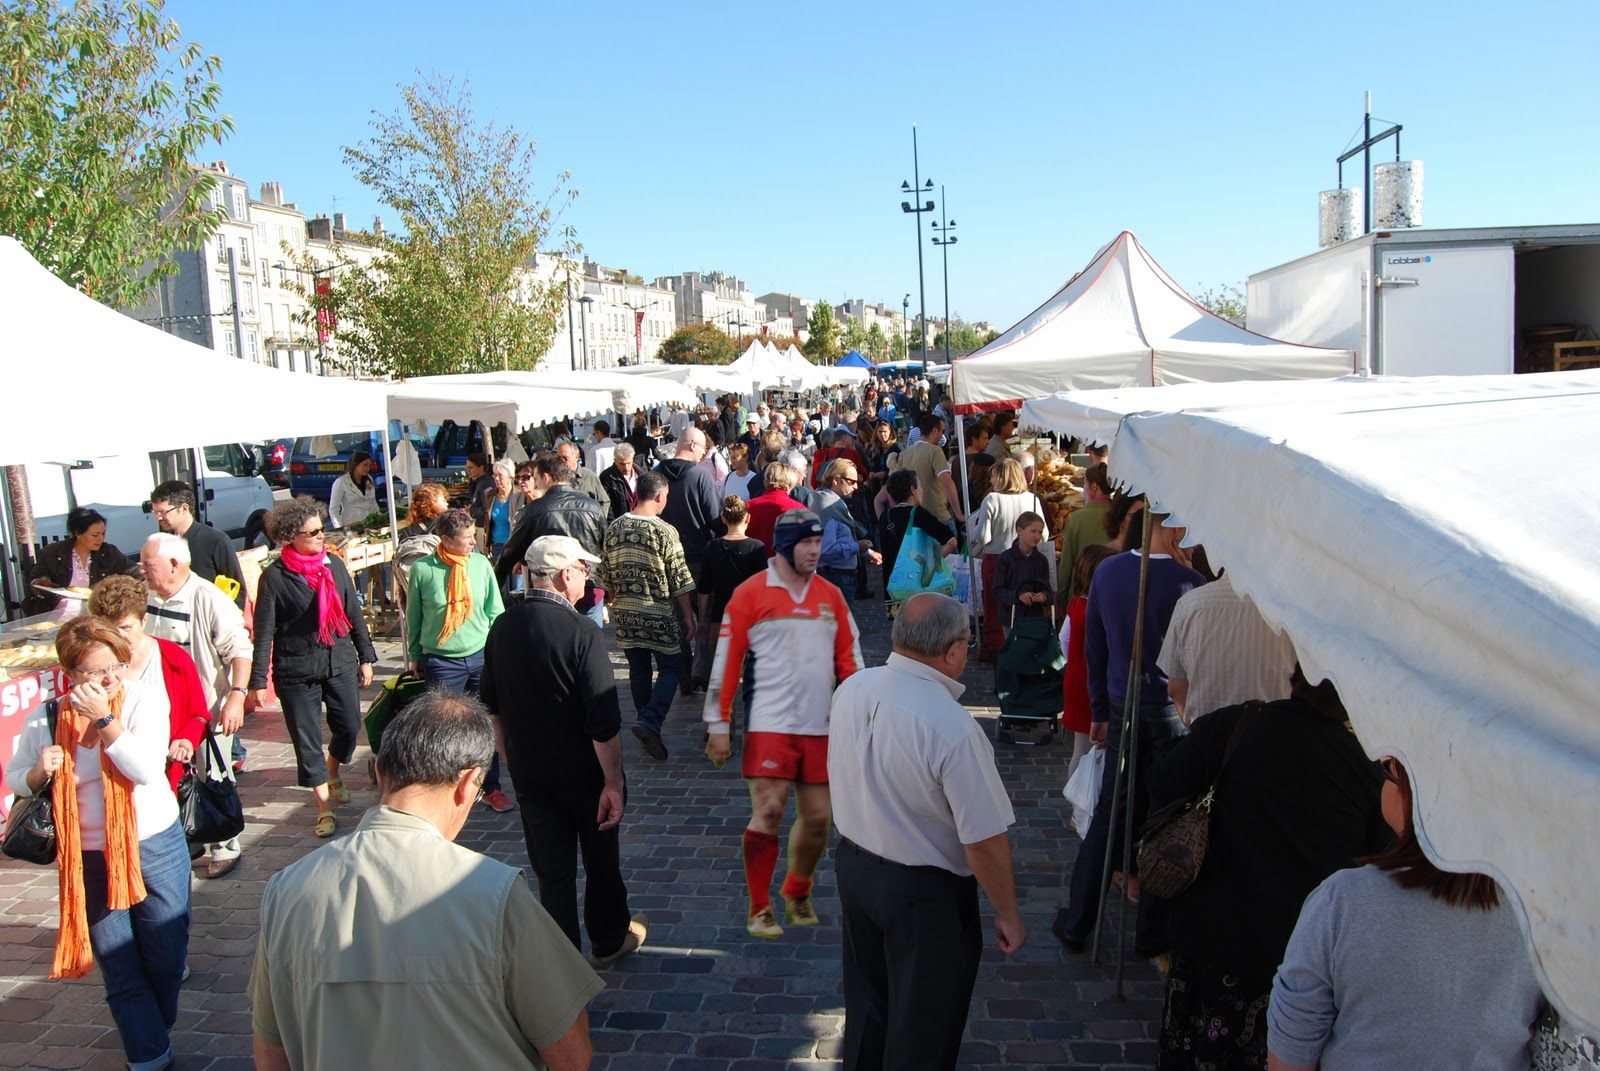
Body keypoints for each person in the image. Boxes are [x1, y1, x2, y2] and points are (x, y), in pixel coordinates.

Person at [250, 691, 603, 1071]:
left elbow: (271, 1055)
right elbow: (572, 1053)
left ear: (380, 772)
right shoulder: (495, 893)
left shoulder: (286, 890)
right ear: (468, 783)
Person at [1144, 673, 1394, 1070]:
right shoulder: (1361, 763)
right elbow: (1382, 847)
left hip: (1212, 937)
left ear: (1295, 678)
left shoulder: (1232, 725)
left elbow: (1163, 781)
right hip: (1296, 951)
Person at [829, 593, 1023, 1070]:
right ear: (953, 651)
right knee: (924, 1032)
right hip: (922, 893)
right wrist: (1008, 911)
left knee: (869, 1006)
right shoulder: (952, 727)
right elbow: (982, 839)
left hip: (855, 869)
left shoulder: (853, 688)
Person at [1266, 756, 1544, 1071]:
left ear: (1415, 792)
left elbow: (1288, 1060)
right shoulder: (1541, 914)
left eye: (1389, 772)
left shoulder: (1342, 901)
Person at [6, 617, 191, 1071]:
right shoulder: (47, 718)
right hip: (89, 854)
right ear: (71, 676)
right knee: (119, 962)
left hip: (153, 841)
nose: (111, 678)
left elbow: (145, 768)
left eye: (117, 666)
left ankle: (150, 1023)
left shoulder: (142, 700)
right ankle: (148, 1055)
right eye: (97, 671)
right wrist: (37, 773)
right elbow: (16, 778)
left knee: (166, 955)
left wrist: (106, 721)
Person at [481, 535, 648, 965]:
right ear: (562, 575)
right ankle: (608, 938)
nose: (586, 576)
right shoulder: (581, 633)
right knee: (600, 861)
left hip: (532, 773)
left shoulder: (503, 627)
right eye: (582, 568)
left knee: (551, 873)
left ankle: (561, 964)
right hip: (585, 775)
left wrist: (508, 757)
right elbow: (603, 720)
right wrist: (613, 782)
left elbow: (492, 707)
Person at [705, 510, 864, 938]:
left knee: (817, 819)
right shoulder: (750, 593)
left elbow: (851, 660)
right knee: (770, 811)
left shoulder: (831, 595)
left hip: (821, 724)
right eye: (806, 543)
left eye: (818, 542)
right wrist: (718, 724)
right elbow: (726, 660)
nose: (815, 550)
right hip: (770, 724)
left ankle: (796, 889)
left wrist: (858, 714)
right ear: (784, 546)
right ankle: (760, 906)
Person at [1053, 513, 1202, 956]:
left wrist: (1099, 708)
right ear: (1173, 528)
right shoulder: (1188, 581)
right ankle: (1150, 934)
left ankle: (1080, 921)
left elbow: (1092, 647)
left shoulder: (1112, 572)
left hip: (1125, 705)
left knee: (1112, 814)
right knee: (1164, 816)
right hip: (1165, 709)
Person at [247, 499, 377, 838]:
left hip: (339, 660)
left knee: (348, 726)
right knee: (307, 740)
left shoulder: (334, 565)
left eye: (322, 529)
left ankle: (333, 771)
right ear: (291, 536)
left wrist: (366, 657)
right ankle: (323, 807)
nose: (322, 536)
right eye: (314, 532)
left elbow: (353, 614)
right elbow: (264, 632)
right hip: (296, 668)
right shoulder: (274, 578)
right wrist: (257, 679)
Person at [136, 535, 254, 877]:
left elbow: (240, 650)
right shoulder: (147, 596)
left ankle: (225, 844)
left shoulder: (207, 598)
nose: (143, 571)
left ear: (175, 564)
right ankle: (185, 835)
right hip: (158, 709)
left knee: (212, 775)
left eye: (149, 565)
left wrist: (237, 695)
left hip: (204, 706)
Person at [405, 509, 514, 813]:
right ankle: (445, 786)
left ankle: (491, 786)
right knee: (443, 727)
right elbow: (414, 616)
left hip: (480, 657)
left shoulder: (480, 565)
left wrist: (498, 649)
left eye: (473, 536)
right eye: (465, 538)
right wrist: (415, 654)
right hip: (441, 660)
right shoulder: (424, 570)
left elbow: (496, 611)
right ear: (445, 539)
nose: (472, 543)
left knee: (487, 722)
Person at [597, 469, 696, 763]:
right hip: (658, 612)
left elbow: (605, 574)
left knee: (639, 671)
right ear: (660, 495)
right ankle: (651, 720)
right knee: (671, 666)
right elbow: (680, 578)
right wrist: (688, 616)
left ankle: (645, 722)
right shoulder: (664, 531)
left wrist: (615, 601)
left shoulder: (615, 527)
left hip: (626, 614)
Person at [1158, 570, 1297, 726]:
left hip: (1207, 737)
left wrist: (1196, 731)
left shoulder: (1188, 604)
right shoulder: (1291, 610)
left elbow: (1176, 688)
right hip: (1271, 734)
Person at [496, 455, 609, 627]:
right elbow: (605, 547)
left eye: (535, 477)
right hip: (587, 583)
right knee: (590, 643)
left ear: (546, 477)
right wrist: (610, 585)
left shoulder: (534, 509)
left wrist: (495, 583)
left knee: (554, 644)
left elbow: (509, 552)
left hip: (552, 588)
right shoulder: (592, 506)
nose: (535, 482)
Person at [694, 496, 770, 730]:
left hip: (721, 617)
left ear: (724, 519)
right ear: (747, 518)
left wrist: (703, 621)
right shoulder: (756, 548)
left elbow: (704, 588)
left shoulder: (713, 548)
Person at [656, 426, 722, 688]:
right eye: (704, 449)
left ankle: (683, 676)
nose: (705, 454)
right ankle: (701, 673)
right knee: (704, 617)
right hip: (698, 556)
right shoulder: (700, 476)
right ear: (693, 445)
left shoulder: (656, 474)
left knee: (676, 619)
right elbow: (715, 519)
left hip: (666, 558)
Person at [971, 458, 1050, 660]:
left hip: (996, 558)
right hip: (1026, 558)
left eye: (994, 475)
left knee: (994, 604)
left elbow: (983, 537)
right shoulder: (1031, 499)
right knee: (1023, 604)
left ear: (1001, 477)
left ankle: (997, 649)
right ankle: (1022, 646)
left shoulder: (992, 499)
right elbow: (1045, 534)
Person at [1059, 544, 1117, 786]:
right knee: (1087, 749)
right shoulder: (1100, 607)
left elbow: (1064, 639)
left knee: (1080, 749)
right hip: (1095, 682)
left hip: (1077, 679)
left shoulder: (1076, 603)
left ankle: (1076, 810)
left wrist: (1075, 661)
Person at [149, 480, 246, 610]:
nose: (159, 518)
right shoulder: (164, 543)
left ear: (184, 508)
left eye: (163, 512)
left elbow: (237, 588)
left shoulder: (215, 540)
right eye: (156, 513)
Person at [24, 506, 137, 615]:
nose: (100, 539)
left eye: (103, 534)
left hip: (95, 613)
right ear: (78, 533)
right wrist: (42, 582)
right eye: (95, 535)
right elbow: (35, 579)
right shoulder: (53, 552)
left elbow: (133, 571)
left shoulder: (108, 552)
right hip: (58, 613)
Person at [877, 468, 958, 596]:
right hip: (920, 586)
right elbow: (951, 541)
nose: (922, 490)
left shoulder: (885, 517)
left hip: (894, 588)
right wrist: (930, 565)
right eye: (920, 486)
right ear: (912, 490)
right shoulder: (919, 514)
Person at [813, 459, 881, 594]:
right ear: (836, 480)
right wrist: (857, 547)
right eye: (851, 482)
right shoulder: (828, 507)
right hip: (836, 577)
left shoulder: (834, 502)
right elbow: (827, 550)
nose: (856, 487)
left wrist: (866, 552)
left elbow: (842, 538)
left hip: (839, 575)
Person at [896, 413, 963, 537]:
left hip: (916, 520)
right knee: (951, 555)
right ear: (934, 430)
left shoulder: (904, 453)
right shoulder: (935, 450)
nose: (943, 435)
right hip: (938, 516)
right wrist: (959, 514)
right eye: (942, 431)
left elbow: (890, 489)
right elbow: (947, 482)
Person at [990, 511, 1052, 635]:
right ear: (1019, 530)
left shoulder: (1041, 560)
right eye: (1033, 531)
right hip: (1011, 618)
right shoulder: (1005, 558)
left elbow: (1046, 587)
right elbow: (997, 591)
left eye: (1040, 532)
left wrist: (1044, 595)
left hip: (1034, 618)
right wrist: (1018, 596)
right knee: (1014, 651)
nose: (1037, 536)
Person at [1060, 462, 1113, 601]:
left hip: (1081, 593)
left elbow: (1066, 563)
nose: (1083, 489)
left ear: (1094, 487)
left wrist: (1061, 596)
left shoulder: (1076, 519)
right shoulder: (1119, 516)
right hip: (1110, 590)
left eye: (1084, 485)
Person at [746, 462, 805, 552]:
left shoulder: (748, 506)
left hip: (753, 561)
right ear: (790, 484)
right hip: (785, 563)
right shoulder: (800, 510)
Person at [478, 459, 526, 563]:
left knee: (516, 579)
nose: (496, 478)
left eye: (500, 476)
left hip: (514, 547)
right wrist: (486, 544)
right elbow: (488, 520)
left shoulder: (519, 496)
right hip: (496, 546)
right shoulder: (490, 495)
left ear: (510, 477)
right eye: (495, 475)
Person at [328, 451, 380, 530]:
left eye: (369, 465)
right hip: (350, 525)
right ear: (355, 464)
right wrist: (339, 528)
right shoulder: (341, 482)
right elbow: (334, 509)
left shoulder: (369, 480)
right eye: (365, 465)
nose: (368, 468)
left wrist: (379, 518)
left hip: (369, 524)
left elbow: (373, 502)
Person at [556, 440, 608, 511]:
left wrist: (597, 519)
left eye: (565, 458)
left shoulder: (589, 476)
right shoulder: (554, 478)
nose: (561, 461)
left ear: (577, 457)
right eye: (558, 458)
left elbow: (604, 501)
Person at [599, 441, 642, 519]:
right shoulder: (606, 477)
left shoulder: (642, 474)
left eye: (629, 463)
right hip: (619, 522)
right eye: (622, 464)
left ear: (633, 459)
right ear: (615, 461)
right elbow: (606, 505)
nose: (626, 468)